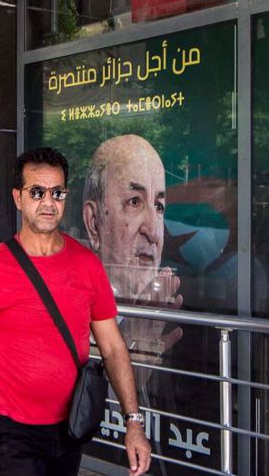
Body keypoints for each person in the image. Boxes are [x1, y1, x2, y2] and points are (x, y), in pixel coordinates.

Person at [0, 147, 151, 476]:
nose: (48, 202)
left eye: (57, 193)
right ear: (18, 198)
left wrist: (134, 422)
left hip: (69, 425)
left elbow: (113, 347)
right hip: (10, 429)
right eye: (37, 192)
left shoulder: (87, 265)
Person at [82, 134, 184, 376]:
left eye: (159, 207)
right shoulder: (66, 307)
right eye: (135, 202)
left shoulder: (162, 323)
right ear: (94, 222)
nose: (154, 232)